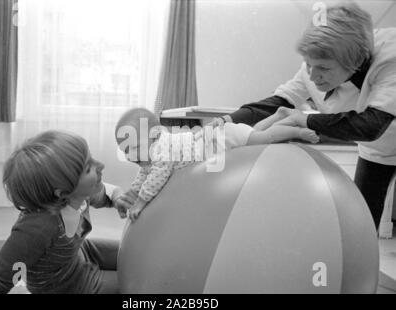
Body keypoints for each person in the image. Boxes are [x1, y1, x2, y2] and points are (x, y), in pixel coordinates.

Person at [210, 2, 396, 230]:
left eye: (324, 69)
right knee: (361, 225)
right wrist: (226, 121)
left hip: (378, 131)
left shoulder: (390, 58)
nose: (313, 76)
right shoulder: (314, 66)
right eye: (309, 65)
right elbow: (279, 102)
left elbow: (371, 125)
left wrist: (304, 119)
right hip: (378, 151)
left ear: (355, 63)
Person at [0, 130, 137, 294]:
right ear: (63, 193)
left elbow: (105, 193)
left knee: (134, 254)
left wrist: (118, 198)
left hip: (80, 256)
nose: (101, 165)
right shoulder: (37, 227)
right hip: (66, 287)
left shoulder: (77, 195)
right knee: (137, 286)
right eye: (88, 168)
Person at [115, 107, 319, 221]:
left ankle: (295, 130)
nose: (130, 156)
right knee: (254, 134)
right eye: (126, 151)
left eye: (134, 147)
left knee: (263, 138)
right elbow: (143, 177)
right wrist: (131, 194)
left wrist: (141, 202)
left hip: (221, 139)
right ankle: (279, 116)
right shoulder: (151, 154)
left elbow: (157, 177)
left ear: (155, 134)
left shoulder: (161, 150)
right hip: (220, 137)